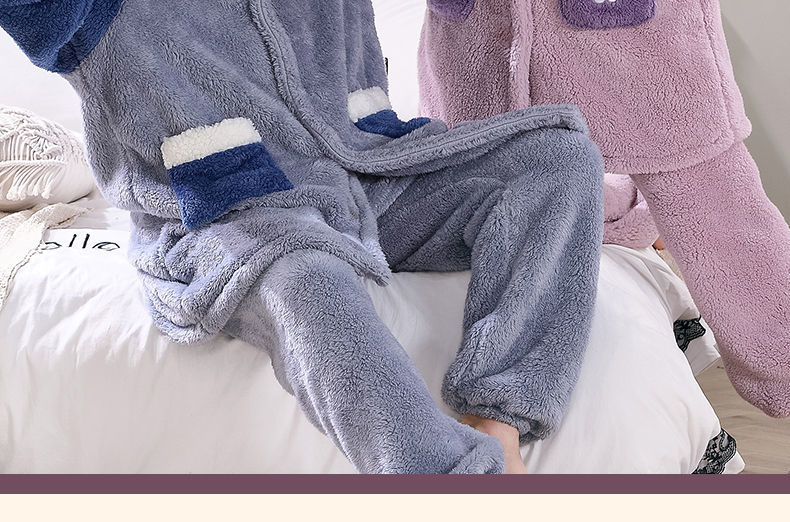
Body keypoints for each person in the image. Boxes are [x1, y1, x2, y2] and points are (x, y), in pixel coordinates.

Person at [0, 0, 604, 472]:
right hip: (234, 207)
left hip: (367, 170)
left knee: (557, 157)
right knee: (306, 281)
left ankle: (497, 418)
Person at [420, 0, 790, 417]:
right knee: (494, 179)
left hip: (641, 44)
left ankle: (781, 364)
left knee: (713, 204)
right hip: (480, 41)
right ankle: (612, 205)